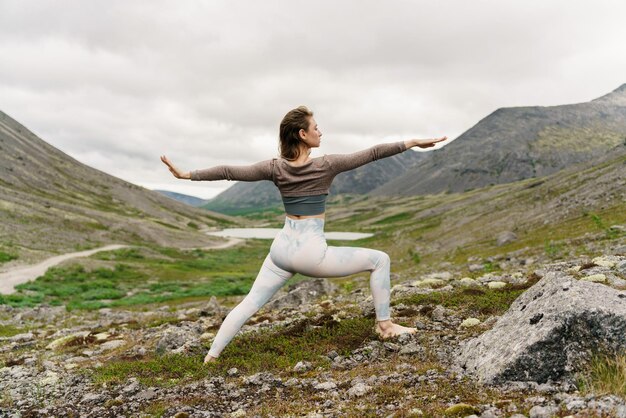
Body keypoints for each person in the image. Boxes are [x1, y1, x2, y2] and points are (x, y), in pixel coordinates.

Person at [160, 106, 447, 364]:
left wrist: (187, 175)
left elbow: (228, 171)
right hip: (311, 254)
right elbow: (372, 154)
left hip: (281, 250)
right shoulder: (326, 165)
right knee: (380, 259)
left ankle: (212, 357)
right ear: (302, 134)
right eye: (316, 127)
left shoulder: (274, 168)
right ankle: (384, 326)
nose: (320, 131)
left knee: (249, 302)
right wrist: (412, 142)